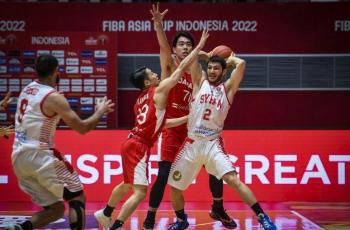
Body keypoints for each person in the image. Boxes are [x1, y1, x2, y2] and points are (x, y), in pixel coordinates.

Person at [93, 30, 209, 230]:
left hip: (133, 140)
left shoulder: (140, 100)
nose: (157, 74)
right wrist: (199, 47)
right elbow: (180, 68)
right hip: (139, 145)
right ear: (148, 82)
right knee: (139, 192)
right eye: (153, 74)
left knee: (127, 184)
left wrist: (188, 117)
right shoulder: (161, 89)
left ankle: (105, 213)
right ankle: (117, 225)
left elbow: (162, 123)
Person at [143, 3, 236, 230]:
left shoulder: (198, 71)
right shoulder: (169, 68)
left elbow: (213, 69)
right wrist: (158, 25)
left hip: (196, 130)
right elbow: (163, 46)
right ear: (175, 49)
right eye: (181, 44)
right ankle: (156, 217)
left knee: (214, 169)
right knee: (164, 175)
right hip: (172, 129)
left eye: (188, 45)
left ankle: (218, 208)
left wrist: (211, 55)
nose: (185, 47)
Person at [167, 53, 277, 230]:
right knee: (174, 186)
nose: (211, 71)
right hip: (192, 143)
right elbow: (193, 59)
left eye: (216, 68)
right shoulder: (199, 82)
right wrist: (206, 55)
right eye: (209, 67)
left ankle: (263, 217)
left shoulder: (227, 89)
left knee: (233, 180)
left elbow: (241, 64)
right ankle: (181, 220)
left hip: (212, 143)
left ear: (223, 70)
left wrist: (231, 60)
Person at [6, 54, 114, 230]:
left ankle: (20, 228)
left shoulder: (28, 89)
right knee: (77, 197)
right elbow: (82, 128)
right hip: (40, 155)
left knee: (56, 209)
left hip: (18, 157)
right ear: (56, 71)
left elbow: (37, 117)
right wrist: (100, 112)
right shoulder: (54, 97)